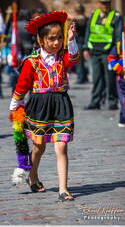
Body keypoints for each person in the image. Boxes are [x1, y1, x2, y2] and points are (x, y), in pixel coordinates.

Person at [9, 11, 80, 201]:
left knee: (61, 147)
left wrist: (71, 40)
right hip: (39, 107)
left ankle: (63, 188)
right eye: (51, 39)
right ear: (41, 40)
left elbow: (73, 59)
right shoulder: (31, 62)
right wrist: (15, 106)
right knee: (39, 147)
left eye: (59, 38)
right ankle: (32, 177)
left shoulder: (62, 58)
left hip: (61, 105)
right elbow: (22, 85)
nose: (56, 43)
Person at [83, 0, 123, 110]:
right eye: (103, 3)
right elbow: (88, 32)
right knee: (96, 78)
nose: (105, 5)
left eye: (107, 3)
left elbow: (118, 36)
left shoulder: (116, 16)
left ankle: (112, 102)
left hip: (108, 52)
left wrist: (117, 52)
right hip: (95, 52)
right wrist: (85, 48)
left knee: (110, 78)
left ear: (110, 3)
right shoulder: (94, 15)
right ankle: (95, 101)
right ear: (99, 4)